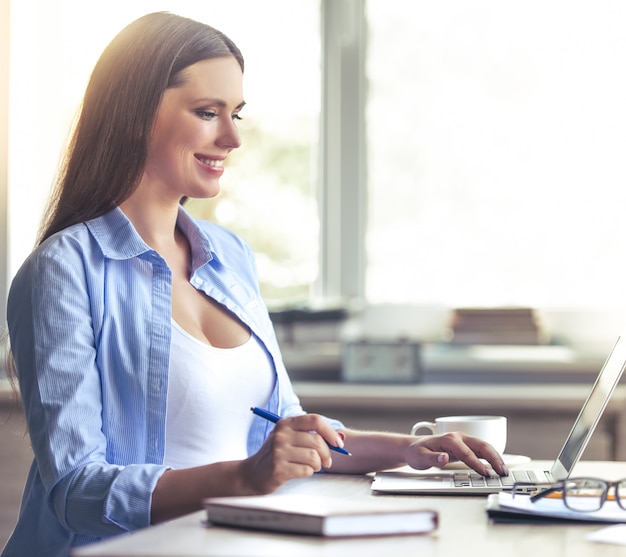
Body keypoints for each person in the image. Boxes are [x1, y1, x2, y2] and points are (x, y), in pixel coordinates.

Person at [1, 12, 508, 557]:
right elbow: (75, 492)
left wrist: (411, 450)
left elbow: (286, 430)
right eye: (207, 112)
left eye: (237, 113)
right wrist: (244, 478)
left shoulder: (229, 258)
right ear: (134, 114)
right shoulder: (63, 270)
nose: (233, 137)